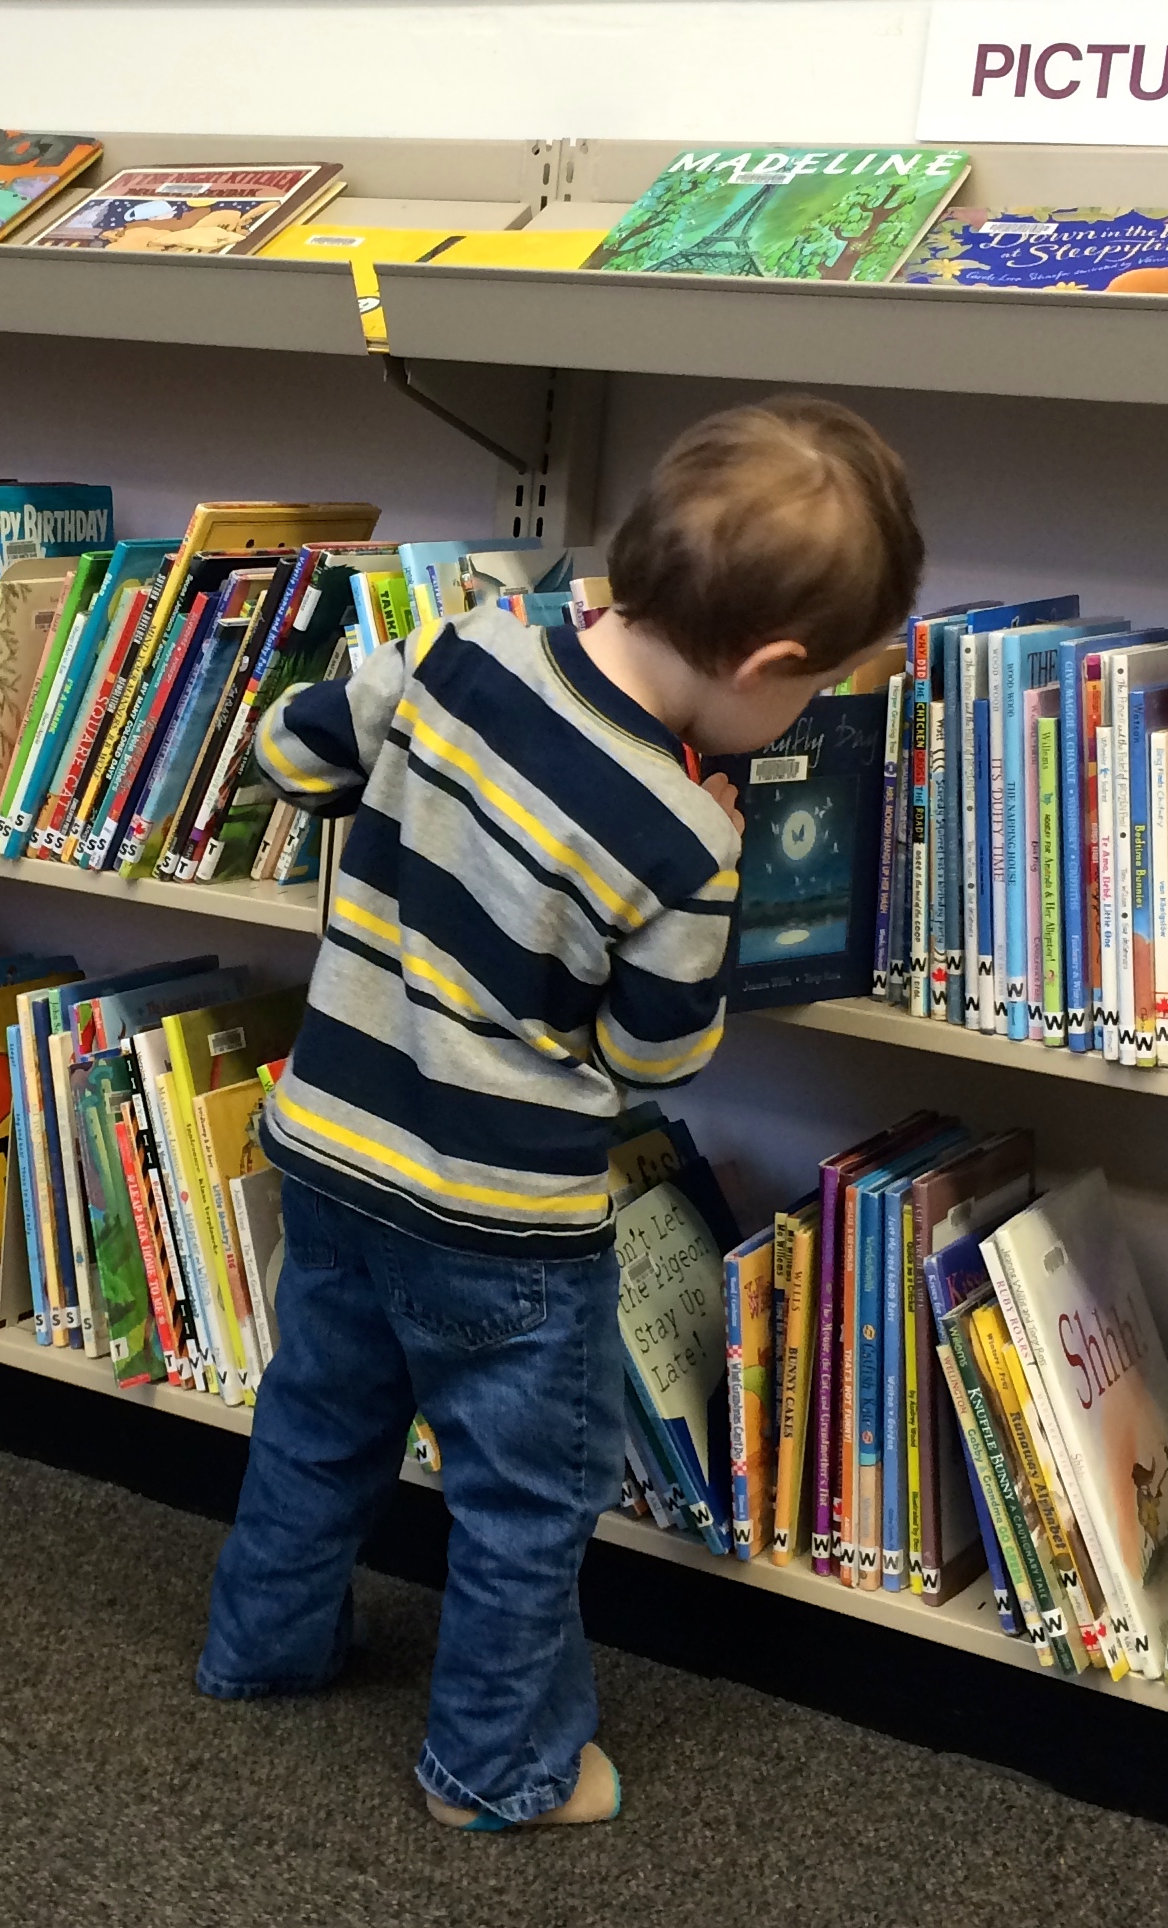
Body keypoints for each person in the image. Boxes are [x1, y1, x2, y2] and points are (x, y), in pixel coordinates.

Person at [197, 394, 924, 1830]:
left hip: (332, 1150)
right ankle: (500, 1771)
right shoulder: (685, 832)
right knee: (523, 1500)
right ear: (773, 665)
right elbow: (655, 1062)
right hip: (499, 1221)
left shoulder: (473, 642)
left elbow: (297, 750)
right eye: (814, 688)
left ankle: (260, 1653)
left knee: (316, 1419)